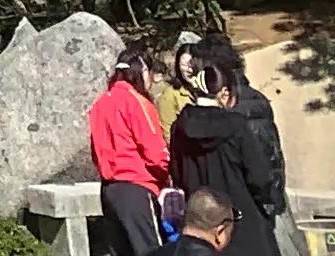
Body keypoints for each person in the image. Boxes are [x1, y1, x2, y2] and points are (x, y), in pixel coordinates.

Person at [167, 43, 285, 256]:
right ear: (223, 92)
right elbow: (260, 178)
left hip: (201, 229)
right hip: (243, 224)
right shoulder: (237, 126)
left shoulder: (179, 127)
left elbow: (177, 175)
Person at [87, 54, 170, 256]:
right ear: (142, 73)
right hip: (137, 187)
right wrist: (167, 174)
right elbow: (154, 151)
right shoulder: (137, 102)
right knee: (151, 251)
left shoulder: (100, 103)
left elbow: (97, 150)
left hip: (109, 189)